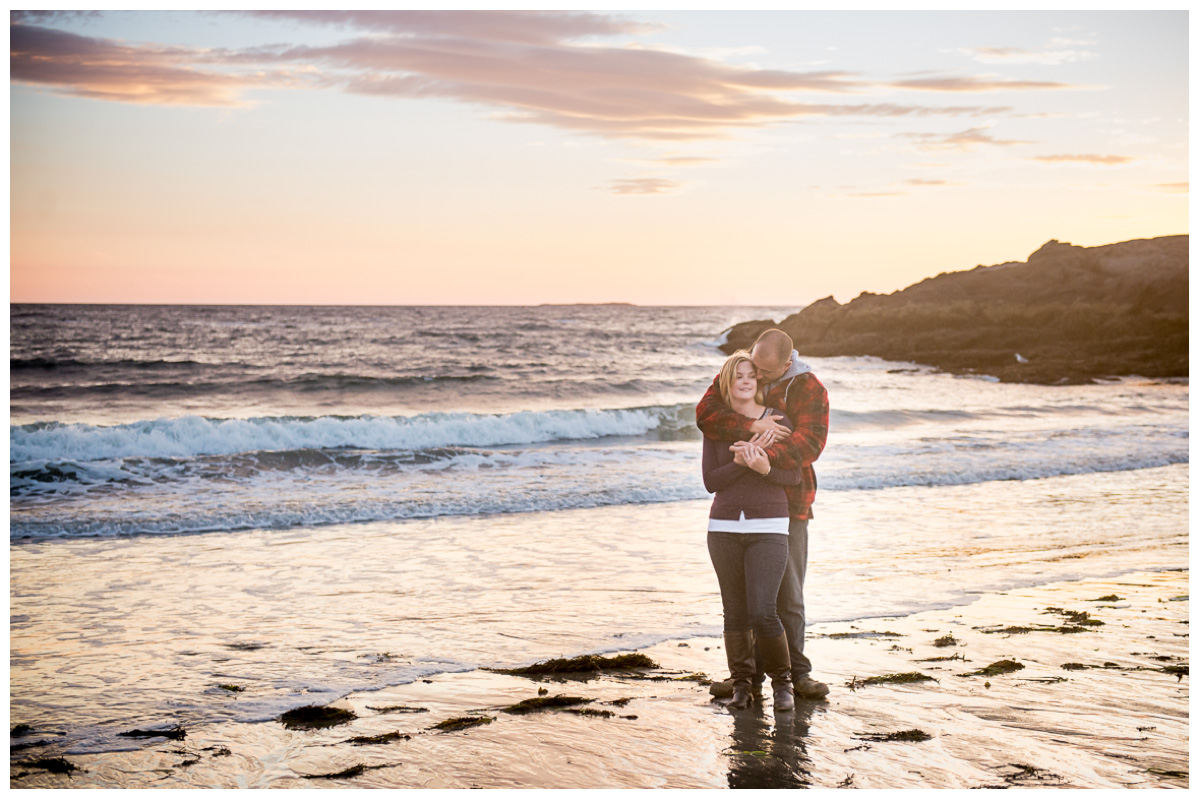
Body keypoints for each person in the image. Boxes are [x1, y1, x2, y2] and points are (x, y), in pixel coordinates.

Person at [697, 328, 830, 700]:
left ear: (787, 364)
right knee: (746, 599)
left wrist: (760, 458)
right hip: (741, 505)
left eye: (765, 373)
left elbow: (809, 445)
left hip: (790, 502)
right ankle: (748, 677)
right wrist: (753, 426)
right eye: (754, 367)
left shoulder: (809, 388)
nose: (756, 377)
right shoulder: (746, 370)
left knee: (785, 596)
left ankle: (797, 674)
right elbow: (707, 413)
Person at [703, 350, 800, 712]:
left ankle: (782, 685)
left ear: (758, 380)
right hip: (723, 527)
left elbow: (792, 474)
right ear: (727, 383)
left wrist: (763, 469)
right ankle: (743, 686)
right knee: (734, 613)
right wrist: (743, 462)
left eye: (750, 375)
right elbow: (711, 481)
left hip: (769, 526)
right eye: (737, 375)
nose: (745, 380)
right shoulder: (715, 425)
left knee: (763, 611)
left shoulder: (777, 421)